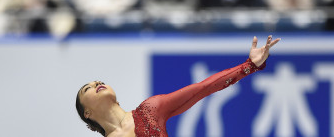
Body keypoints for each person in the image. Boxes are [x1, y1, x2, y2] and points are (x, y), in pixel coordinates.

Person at [76, 35, 281, 136]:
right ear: (87, 113)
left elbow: (203, 88)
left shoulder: (150, 110)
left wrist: (249, 66)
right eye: (88, 88)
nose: (98, 84)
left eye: (100, 82)